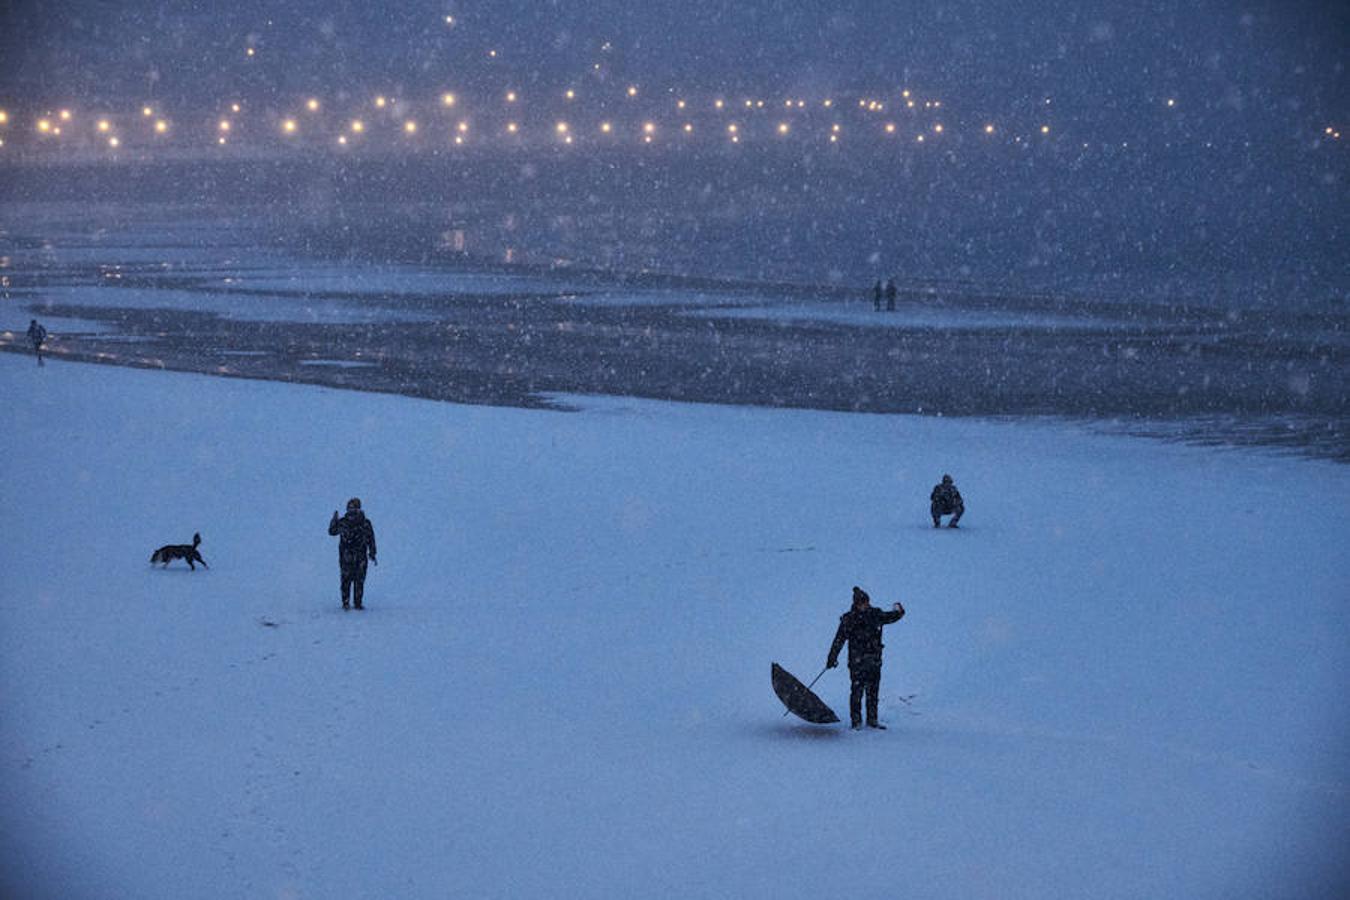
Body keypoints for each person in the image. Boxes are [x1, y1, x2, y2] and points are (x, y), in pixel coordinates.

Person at [826, 586, 905, 729]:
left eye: (867, 602)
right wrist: (832, 658)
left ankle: (872, 720)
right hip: (857, 663)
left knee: (873, 692)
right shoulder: (848, 619)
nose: (865, 605)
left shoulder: (875, 614)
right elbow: (838, 640)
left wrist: (899, 612)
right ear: (856, 604)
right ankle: (856, 722)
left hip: (874, 661)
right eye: (862, 603)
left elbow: (891, 617)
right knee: (857, 692)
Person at [328, 497, 377, 610]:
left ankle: (358, 603)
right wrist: (334, 521)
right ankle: (345, 603)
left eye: (354, 508)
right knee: (346, 580)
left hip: (361, 557)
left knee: (359, 580)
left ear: (359, 509)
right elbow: (332, 532)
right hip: (346, 556)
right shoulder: (343, 522)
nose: (351, 510)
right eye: (349, 508)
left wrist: (372, 553)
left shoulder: (365, 523)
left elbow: (371, 539)